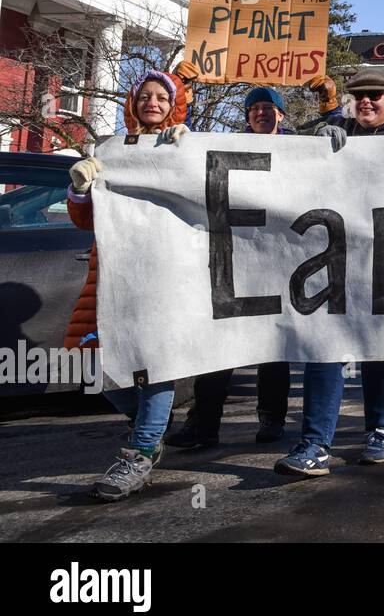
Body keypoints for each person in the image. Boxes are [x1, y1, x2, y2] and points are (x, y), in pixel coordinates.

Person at [167, 84, 336, 449]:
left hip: (277, 257)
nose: (262, 112)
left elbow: (329, 158)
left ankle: (271, 418)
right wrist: (183, 118)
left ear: (281, 115)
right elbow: (190, 163)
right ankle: (204, 423)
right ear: (247, 116)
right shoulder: (226, 146)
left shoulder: (296, 147)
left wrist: (329, 118)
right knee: (218, 342)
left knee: (272, 344)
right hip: (232, 258)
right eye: (255, 107)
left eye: (269, 107)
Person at [275, 70, 384, 476]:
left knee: (381, 346)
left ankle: (379, 429)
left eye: (375, 96)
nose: (367, 102)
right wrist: (316, 145)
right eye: (359, 96)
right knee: (326, 347)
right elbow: (282, 148)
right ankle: (315, 443)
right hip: (336, 258)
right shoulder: (333, 130)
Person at [65, 68, 190, 501]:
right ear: (133, 104)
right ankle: (149, 427)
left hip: (163, 275)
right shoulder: (110, 152)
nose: (152, 103)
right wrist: (81, 188)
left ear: (172, 105)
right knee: (91, 362)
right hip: (110, 274)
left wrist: (188, 157)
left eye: (161, 97)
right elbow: (85, 220)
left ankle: (138, 454)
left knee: (155, 363)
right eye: (145, 96)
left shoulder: (185, 146)